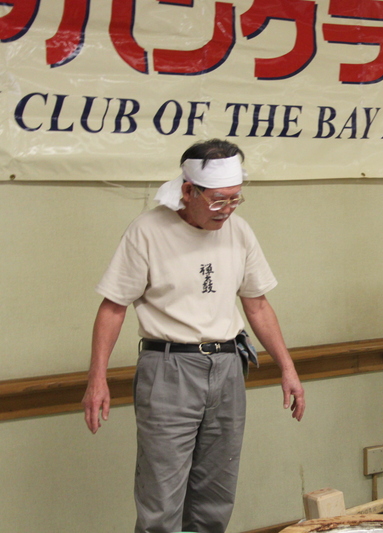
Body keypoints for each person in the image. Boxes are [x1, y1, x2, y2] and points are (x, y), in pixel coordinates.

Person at [82, 139, 305, 533]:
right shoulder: (148, 231)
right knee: (161, 497)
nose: (228, 210)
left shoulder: (239, 231)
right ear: (188, 190)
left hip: (228, 365)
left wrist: (287, 368)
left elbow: (256, 304)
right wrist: (96, 378)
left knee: (216, 493)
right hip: (169, 367)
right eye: (219, 200)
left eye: (235, 199)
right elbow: (113, 307)